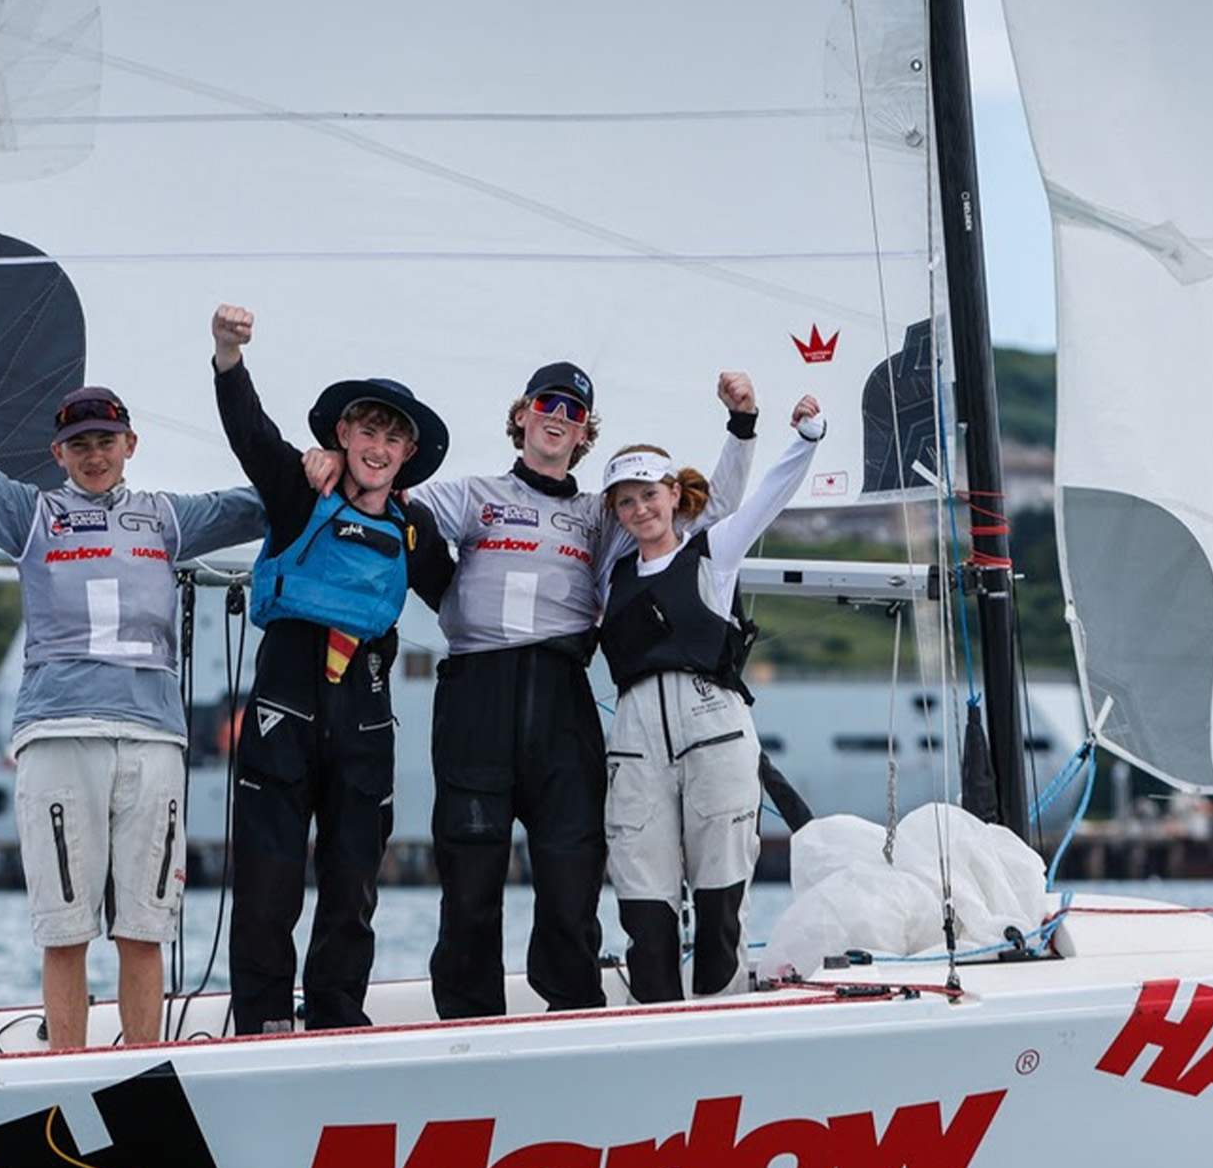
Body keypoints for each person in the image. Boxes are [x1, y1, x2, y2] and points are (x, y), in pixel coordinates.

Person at [308, 364, 760, 1018]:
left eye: (574, 410)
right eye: (548, 402)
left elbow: (704, 514)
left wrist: (741, 427)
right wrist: (329, 461)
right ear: (522, 415)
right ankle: (469, 1019)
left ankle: (573, 1009)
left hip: (561, 696)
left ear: (584, 433)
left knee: (571, 872)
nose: (559, 415)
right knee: (469, 874)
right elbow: (385, 497)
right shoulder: (476, 494)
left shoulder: (601, 515)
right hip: (477, 694)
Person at [0, 305, 267, 1050]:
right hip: (57, 733)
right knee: (65, 927)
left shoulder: (169, 518)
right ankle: (65, 1067)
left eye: (105, 440)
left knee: (144, 927)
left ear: (130, 444)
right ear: (59, 453)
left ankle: (145, 1065)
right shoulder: (31, 515)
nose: (94, 454)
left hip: (151, 738)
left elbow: (272, 497)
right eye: (79, 444)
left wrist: (329, 457)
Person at [209, 302, 454, 1034]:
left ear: (407, 453)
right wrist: (227, 355)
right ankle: (258, 1020)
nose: (378, 446)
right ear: (342, 436)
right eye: (367, 431)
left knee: (352, 883)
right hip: (285, 704)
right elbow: (248, 431)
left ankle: (337, 1015)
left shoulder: (415, 526)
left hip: (365, 715)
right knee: (268, 879)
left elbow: (464, 603)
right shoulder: (297, 489)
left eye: (393, 437)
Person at [597, 390, 826, 1003]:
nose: (640, 508)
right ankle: (654, 1017)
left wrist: (805, 437)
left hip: (715, 728)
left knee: (722, 891)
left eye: (650, 494)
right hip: (636, 735)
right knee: (644, 896)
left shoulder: (712, 554)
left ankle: (721, 1011)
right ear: (616, 513)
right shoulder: (608, 577)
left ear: (674, 496)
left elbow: (762, 500)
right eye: (626, 501)